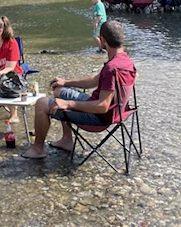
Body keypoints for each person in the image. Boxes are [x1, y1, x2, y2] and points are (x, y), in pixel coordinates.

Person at [20, 20, 136, 159]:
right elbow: (95, 80)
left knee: (41, 104)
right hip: (117, 112)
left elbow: (102, 106)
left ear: (103, 40)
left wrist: (67, 104)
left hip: (99, 118)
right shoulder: (124, 61)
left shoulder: (111, 68)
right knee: (59, 89)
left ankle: (38, 150)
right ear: (122, 39)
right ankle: (67, 140)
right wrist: (66, 82)